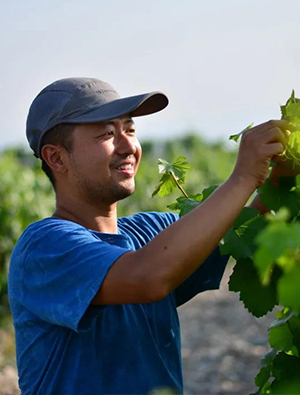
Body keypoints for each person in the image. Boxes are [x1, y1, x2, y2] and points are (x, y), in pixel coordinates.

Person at [8, 77, 290, 395]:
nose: (128, 146)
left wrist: (278, 180)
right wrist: (243, 176)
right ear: (57, 158)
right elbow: (148, 276)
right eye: (107, 134)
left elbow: (243, 236)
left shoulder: (150, 233)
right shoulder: (44, 247)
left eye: (129, 129)